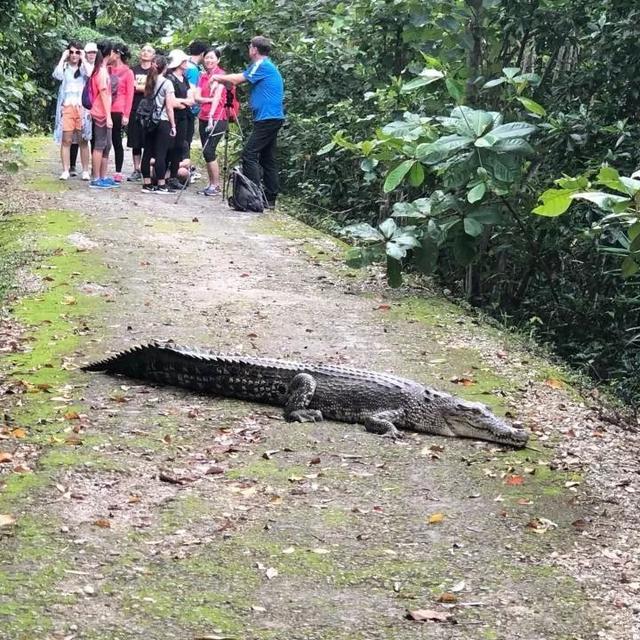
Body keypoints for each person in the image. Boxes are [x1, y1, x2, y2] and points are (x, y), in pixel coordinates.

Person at [212, 36, 284, 208]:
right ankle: (270, 197)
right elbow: (238, 79)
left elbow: (237, 79)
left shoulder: (262, 65)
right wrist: (225, 81)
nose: (249, 50)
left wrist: (218, 78)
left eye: (250, 47)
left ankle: (253, 195)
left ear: (254, 49)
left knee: (249, 154)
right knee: (267, 158)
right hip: (270, 117)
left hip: (268, 117)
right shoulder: (260, 66)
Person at [52, 41, 91, 181]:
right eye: (72, 52)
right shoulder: (65, 67)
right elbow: (57, 75)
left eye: (77, 52)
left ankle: (85, 170)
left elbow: (90, 73)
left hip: (82, 107)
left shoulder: (83, 68)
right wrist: (63, 58)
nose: (74, 55)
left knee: (83, 139)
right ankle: (65, 170)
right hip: (67, 105)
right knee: (66, 140)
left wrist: (84, 58)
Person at [140, 55, 177, 194]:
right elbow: (169, 107)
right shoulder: (166, 83)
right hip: (162, 121)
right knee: (161, 154)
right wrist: (173, 125)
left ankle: (147, 183)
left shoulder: (149, 80)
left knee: (147, 152)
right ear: (165, 68)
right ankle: (161, 184)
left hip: (149, 121)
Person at [195, 47, 229, 196]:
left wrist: (208, 103)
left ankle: (215, 185)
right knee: (206, 151)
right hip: (203, 116)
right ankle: (211, 184)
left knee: (209, 150)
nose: (209, 60)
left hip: (218, 117)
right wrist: (208, 100)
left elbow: (218, 98)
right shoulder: (202, 76)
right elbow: (196, 97)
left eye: (212, 58)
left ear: (218, 60)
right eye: (206, 58)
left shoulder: (222, 76)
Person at [89, 40, 118, 189]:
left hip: (103, 112)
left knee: (107, 145)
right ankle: (96, 178)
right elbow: (104, 94)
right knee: (100, 145)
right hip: (100, 113)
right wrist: (108, 116)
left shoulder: (103, 70)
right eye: (114, 52)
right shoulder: (100, 72)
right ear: (110, 53)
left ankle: (103, 176)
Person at [165, 49, 195, 191]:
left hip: (184, 117)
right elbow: (171, 101)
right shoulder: (170, 78)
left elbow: (191, 99)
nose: (186, 63)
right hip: (172, 116)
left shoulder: (185, 78)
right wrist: (183, 101)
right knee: (169, 145)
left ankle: (174, 177)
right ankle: (164, 175)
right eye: (184, 61)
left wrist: (183, 102)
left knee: (179, 145)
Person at [127, 43, 155, 181]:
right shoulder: (133, 70)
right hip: (135, 108)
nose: (145, 53)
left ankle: (147, 169)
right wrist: (145, 88)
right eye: (143, 50)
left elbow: (154, 89)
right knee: (135, 140)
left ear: (153, 55)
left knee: (149, 141)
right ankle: (136, 169)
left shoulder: (155, 71)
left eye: (149, 51)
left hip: (151, 110)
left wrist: (138, 87)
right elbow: (129, 87)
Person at [108, 43, 134, 183]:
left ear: (117, 54)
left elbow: (130, 94)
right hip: (106, 109)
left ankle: (118, 171)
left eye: (111, 53)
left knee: (116, 140)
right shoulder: (107, 69)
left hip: (119, 110)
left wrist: (126, 115)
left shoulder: (128, 72)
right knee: (103, 141)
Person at [184, 40, 207, 160]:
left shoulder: (185, 64)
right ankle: (184, 168)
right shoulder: (193, 69)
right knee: (186, 140)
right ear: (203, 54)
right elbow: (192, 90)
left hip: (182, 106)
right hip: (189, 109)